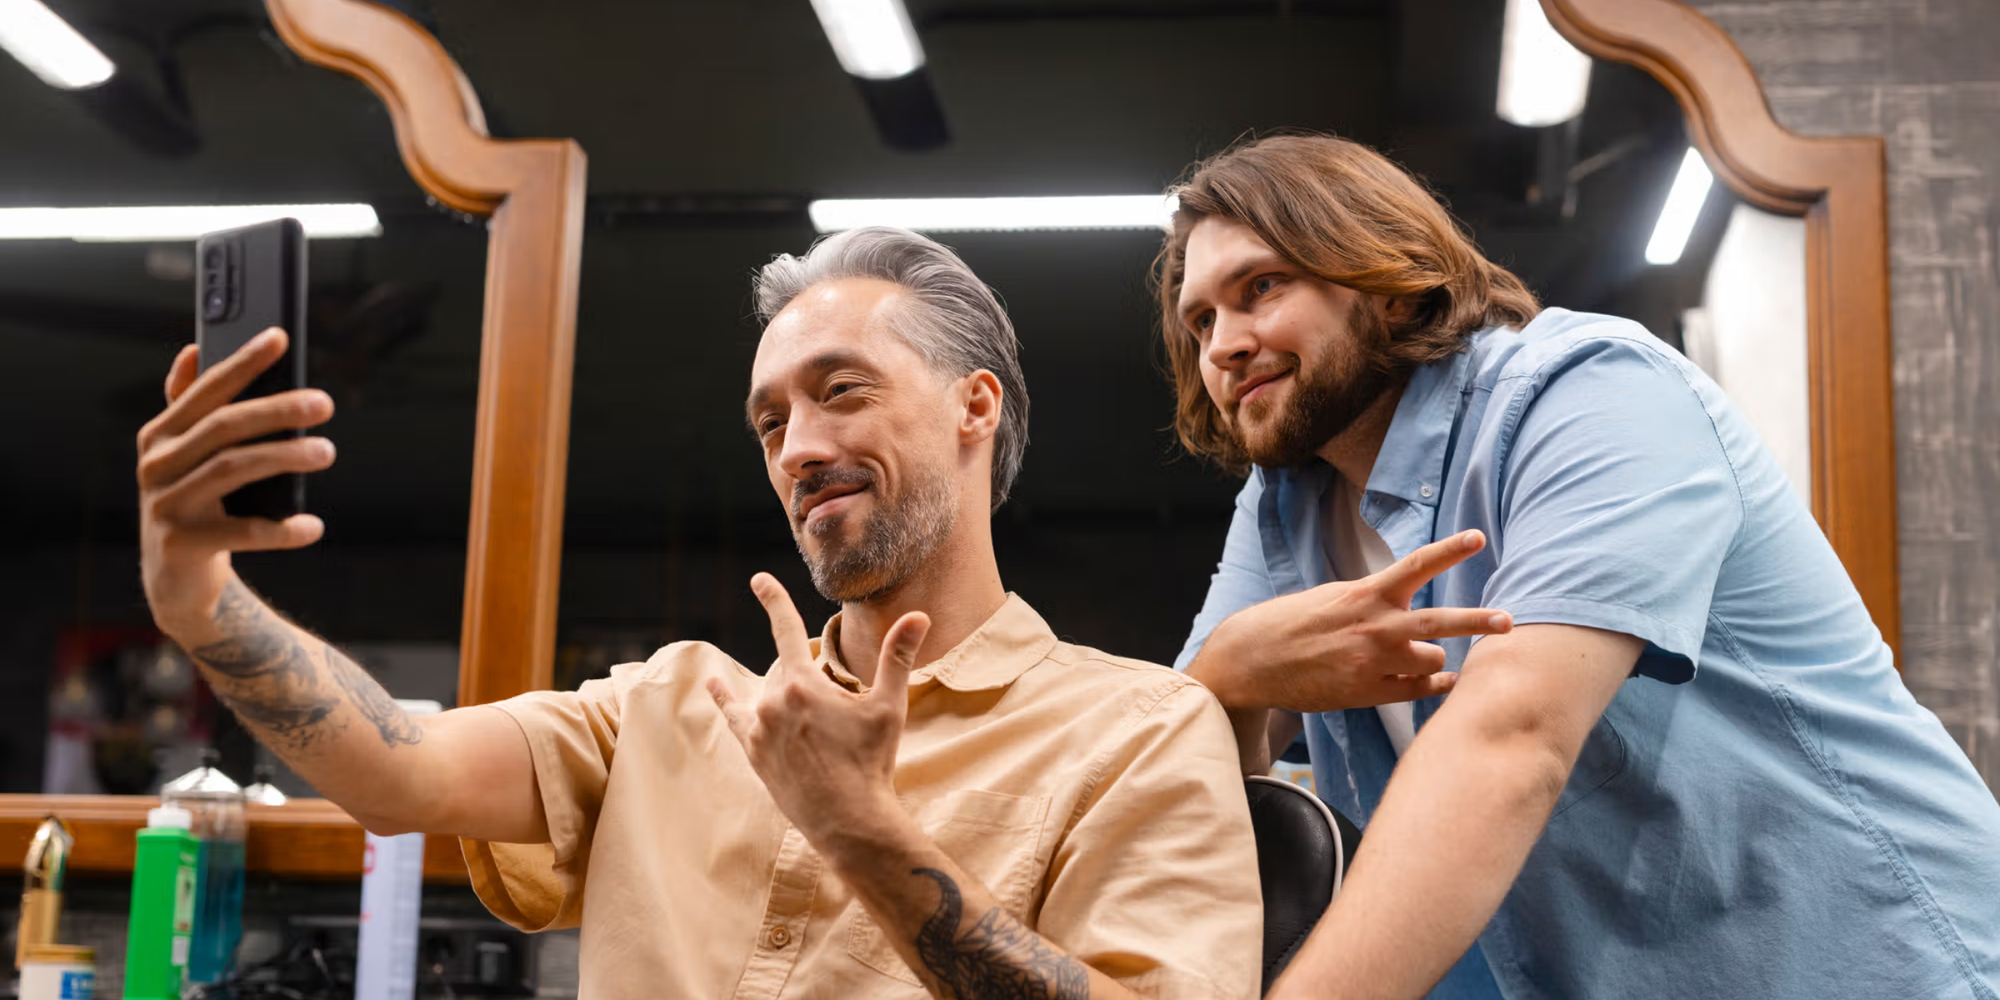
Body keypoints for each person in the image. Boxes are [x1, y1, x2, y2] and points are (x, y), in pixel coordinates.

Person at [138, 227, 1277, 999]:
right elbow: (401, 769)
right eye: (770, 421)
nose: (803, 448)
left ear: (973, 404)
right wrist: (198, 598)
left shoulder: (1140, 730)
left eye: (841, 390)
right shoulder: (673, 703)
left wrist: (860, 830)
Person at [1162, 134, 2000, 1000]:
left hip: (1875, 965)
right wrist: (1233, 673)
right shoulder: (1283, 508)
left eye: (1261, 288)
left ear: (1384, 274)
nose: (1222, 345)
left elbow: (1511, 737)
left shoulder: (1593, 393)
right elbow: (1173, 765)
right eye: (1200, 321)